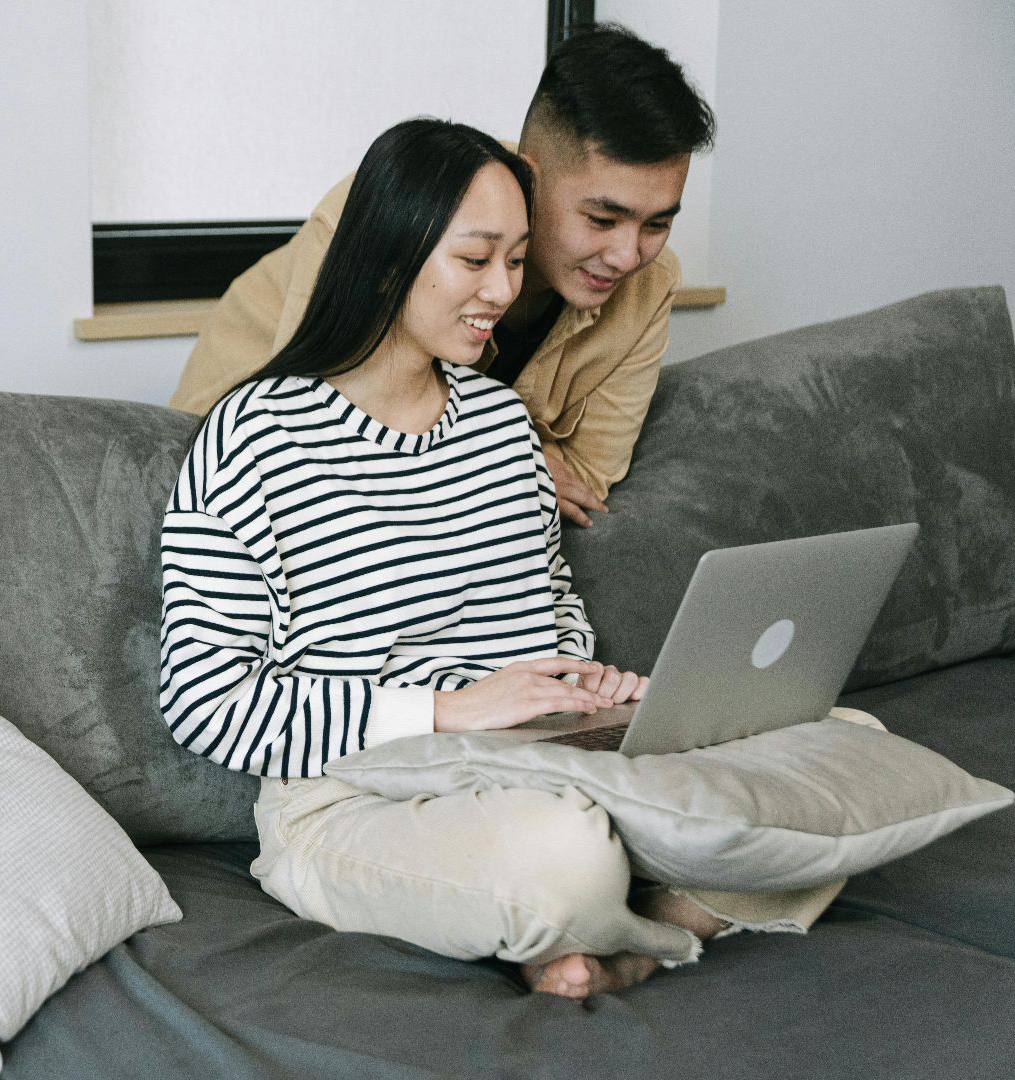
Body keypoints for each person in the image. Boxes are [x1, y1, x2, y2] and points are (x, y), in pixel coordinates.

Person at [159, 118, 857, 1000]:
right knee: (562, 856)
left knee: (834, 750)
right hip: (352, 797)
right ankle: (634, 913)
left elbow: (551, 600)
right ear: (386, 260)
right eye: (475, 258)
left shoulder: (499, 425)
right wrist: (447, 711)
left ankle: (615, 947)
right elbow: (205, 703)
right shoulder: (253, 436)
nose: (502, 290)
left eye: (518, 260)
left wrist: (582, 681)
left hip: (538, 759)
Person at [168, 23, 713, 528]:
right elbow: (315, 447)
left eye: (658, 223)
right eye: (601, 219)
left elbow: (584, 484)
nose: (626, 254)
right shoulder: (383, 216)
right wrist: (517, 455)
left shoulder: (650, 282)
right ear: (529, 177)